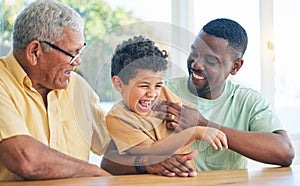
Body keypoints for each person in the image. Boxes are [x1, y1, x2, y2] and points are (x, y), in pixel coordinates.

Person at [101, 18, 295, 175]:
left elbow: (284, 153)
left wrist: (203, 124)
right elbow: (109, 161)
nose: (196, 65)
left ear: (235, 66)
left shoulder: (247, 101)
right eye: (194, 53)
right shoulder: (157, 93)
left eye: (210, 60)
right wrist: (148, 164)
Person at [0, 0, 111, 181]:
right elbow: (25, 159)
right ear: (35, 51)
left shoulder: (78, 87)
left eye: (79, 52)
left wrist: (150, 155)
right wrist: (94, 172)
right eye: (71, 53)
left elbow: (115, 149)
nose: (78, 62)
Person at [105, 35, 228, 170]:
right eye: (144, 86)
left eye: (157, 85)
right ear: (119, 84)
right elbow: (152, 150)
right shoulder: (118, 117)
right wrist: (194, 132)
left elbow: (187, 117)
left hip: (186, 175)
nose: (152, 93)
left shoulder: (163, 93)